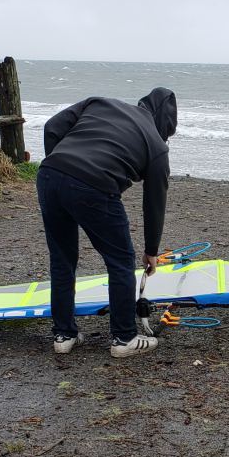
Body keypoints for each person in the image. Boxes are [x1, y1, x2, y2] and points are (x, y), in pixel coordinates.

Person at [36, 87, 177, 357]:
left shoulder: (100, 102)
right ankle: (124, 339)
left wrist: (62, 166)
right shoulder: (157, 147)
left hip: (49, 176)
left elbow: (52, 127)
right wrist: (151, 250)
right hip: (94, 186)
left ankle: (64, 335)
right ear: (165, 127)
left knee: (62, 259)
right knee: (121, 261)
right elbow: (155, 202)